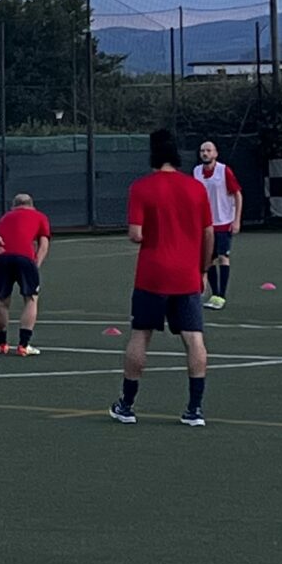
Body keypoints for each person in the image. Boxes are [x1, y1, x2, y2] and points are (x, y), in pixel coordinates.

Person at [112, 129, 214, 426]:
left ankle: (127, 405)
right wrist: (203, 269)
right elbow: (208, 233)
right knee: (194, 339)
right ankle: (194, 409)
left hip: (152, 274)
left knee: (140, 335)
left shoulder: (142, 188)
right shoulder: (195, 189)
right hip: (186, 274)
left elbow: (136, 234)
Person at [0, 192, 52, 357]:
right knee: (31, 299)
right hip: (24, 258)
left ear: (13, 206)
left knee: (2, 301)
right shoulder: (39, 217)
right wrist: (36, 264)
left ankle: (2, 344)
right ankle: (24, 345)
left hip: (1, 258)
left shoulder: (4, 217)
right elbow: (44, 244)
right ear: (32, 205)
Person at [194, 140, 243, 307]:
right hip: (206, 224)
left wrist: (236, 220)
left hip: (223, 221)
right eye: (202, 151)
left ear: (215, 153)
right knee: (208, 259)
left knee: (223, 257)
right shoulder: (197, 172)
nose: (205, 154)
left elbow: (237, 194)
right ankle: (214, 294)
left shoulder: (224, 171)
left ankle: (221, 295)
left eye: (208, 150)